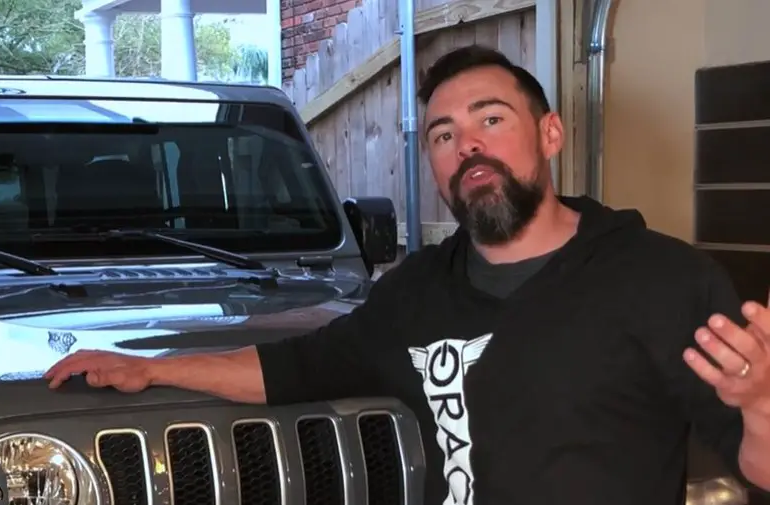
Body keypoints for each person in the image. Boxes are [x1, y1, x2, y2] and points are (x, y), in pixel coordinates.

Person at [43, 45, 770, 504]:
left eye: (492, 120)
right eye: (444, 135)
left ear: (550, 134)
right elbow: (291, 367)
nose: (468, 147)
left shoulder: (663, 280)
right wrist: (153, 367)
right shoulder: (417, 293)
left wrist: (764, 401)